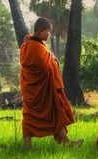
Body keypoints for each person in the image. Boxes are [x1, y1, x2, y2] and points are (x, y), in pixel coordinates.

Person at [20, 17, 82, 150]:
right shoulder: (35, 47)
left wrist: (50, 56)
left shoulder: (26, 45)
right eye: (48, 31)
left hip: (35, 89)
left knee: (51, 114)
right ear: (41, 31)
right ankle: (27, 146)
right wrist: (52, 59)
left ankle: (67, 143)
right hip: (40, 89)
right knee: (49, 114)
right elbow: (42, 66)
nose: (50, 34)